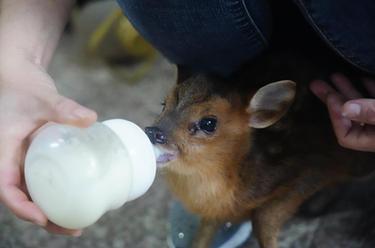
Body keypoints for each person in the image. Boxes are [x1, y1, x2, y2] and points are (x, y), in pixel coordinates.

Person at [0, 0, 374, 244]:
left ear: (262, 115)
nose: (159, 127)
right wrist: (15, 68)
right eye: (167, 106)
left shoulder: (256, 155)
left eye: (206, 126)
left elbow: (308, 170)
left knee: (280, 202)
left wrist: (268, 226)